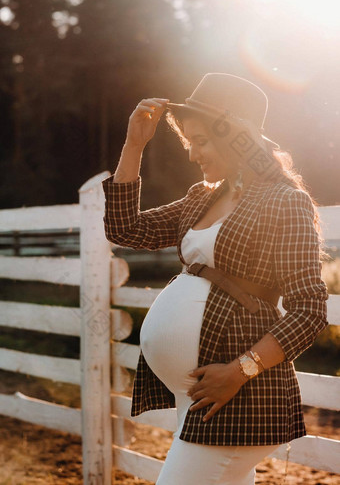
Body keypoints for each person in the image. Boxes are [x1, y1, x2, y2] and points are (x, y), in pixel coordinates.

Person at [101, 73, 329, 485]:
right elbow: (125, 229)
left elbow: (309, 312)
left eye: (201, 142)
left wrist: (237, 371)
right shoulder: (200, 197)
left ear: (235, 136)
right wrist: (135, 144)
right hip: (200, 401)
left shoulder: (285, 202)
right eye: (189, 142)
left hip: (239, 397)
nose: (192, 155)